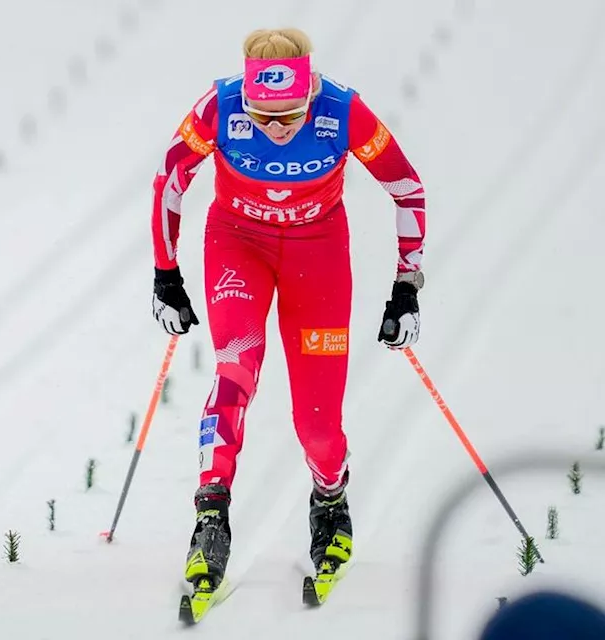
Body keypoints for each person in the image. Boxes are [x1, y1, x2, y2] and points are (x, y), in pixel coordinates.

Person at [149, 28, 425, 597]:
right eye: (261, 118)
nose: (275, 131)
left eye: (291, 117)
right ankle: (210, 517)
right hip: (238, 245)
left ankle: (330, 498)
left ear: (310, 96)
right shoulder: (218, 105)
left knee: (318, 425)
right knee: (234, 374)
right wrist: (166, 273)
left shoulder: (344, 111)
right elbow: (169, 180)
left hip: (317, 255)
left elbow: (406, 187)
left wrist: (407, 287)